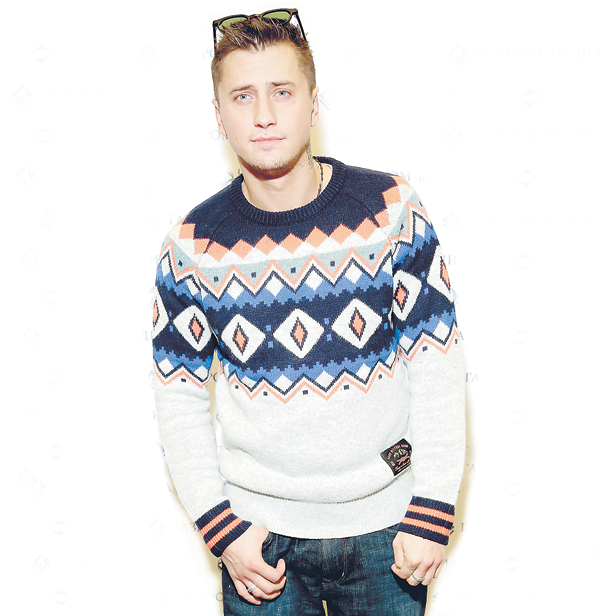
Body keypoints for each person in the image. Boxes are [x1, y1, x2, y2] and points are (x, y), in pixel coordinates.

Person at [152, 9, 465, 615]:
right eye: (242, 96)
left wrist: (433, 508)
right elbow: (178, 397)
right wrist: (221, 529)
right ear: (218, 114)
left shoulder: (391, 209)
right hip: (258, 539)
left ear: (314, 103)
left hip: (388, 528)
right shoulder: (191, 246)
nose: (264, 115)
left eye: (282, 91)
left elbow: (437, 363)